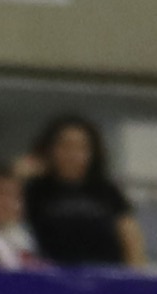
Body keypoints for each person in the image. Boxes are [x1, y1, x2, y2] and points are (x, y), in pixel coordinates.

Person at [26, 113, 143, 271]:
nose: (73, 155)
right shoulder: (35, 190)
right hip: (52, 280)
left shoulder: (107, 191)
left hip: (104, 279)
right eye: (65, 146)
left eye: (81, 148)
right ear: (50, 149)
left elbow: (131, 240)